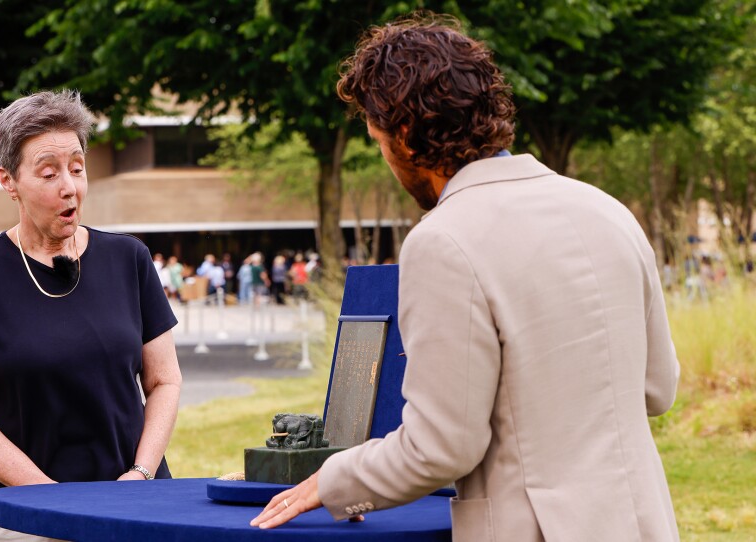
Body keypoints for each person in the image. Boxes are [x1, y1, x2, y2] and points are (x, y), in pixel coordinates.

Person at [252, 14, 680, 541]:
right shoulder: (607, 209)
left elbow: (442, 447)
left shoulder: (443, 240)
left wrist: (333, 480)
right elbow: (659, 388)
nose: (384, 156)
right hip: (642, 523)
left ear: (404, 134)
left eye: (376, 139)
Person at [0, 90, 183, 542]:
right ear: (9, 181)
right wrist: (50, 498)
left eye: (78, 169)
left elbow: (164, 381)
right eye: (49, 173)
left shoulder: (130, 258)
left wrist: (140, 475)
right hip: (28, 515)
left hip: (135, 504)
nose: (70, 186)